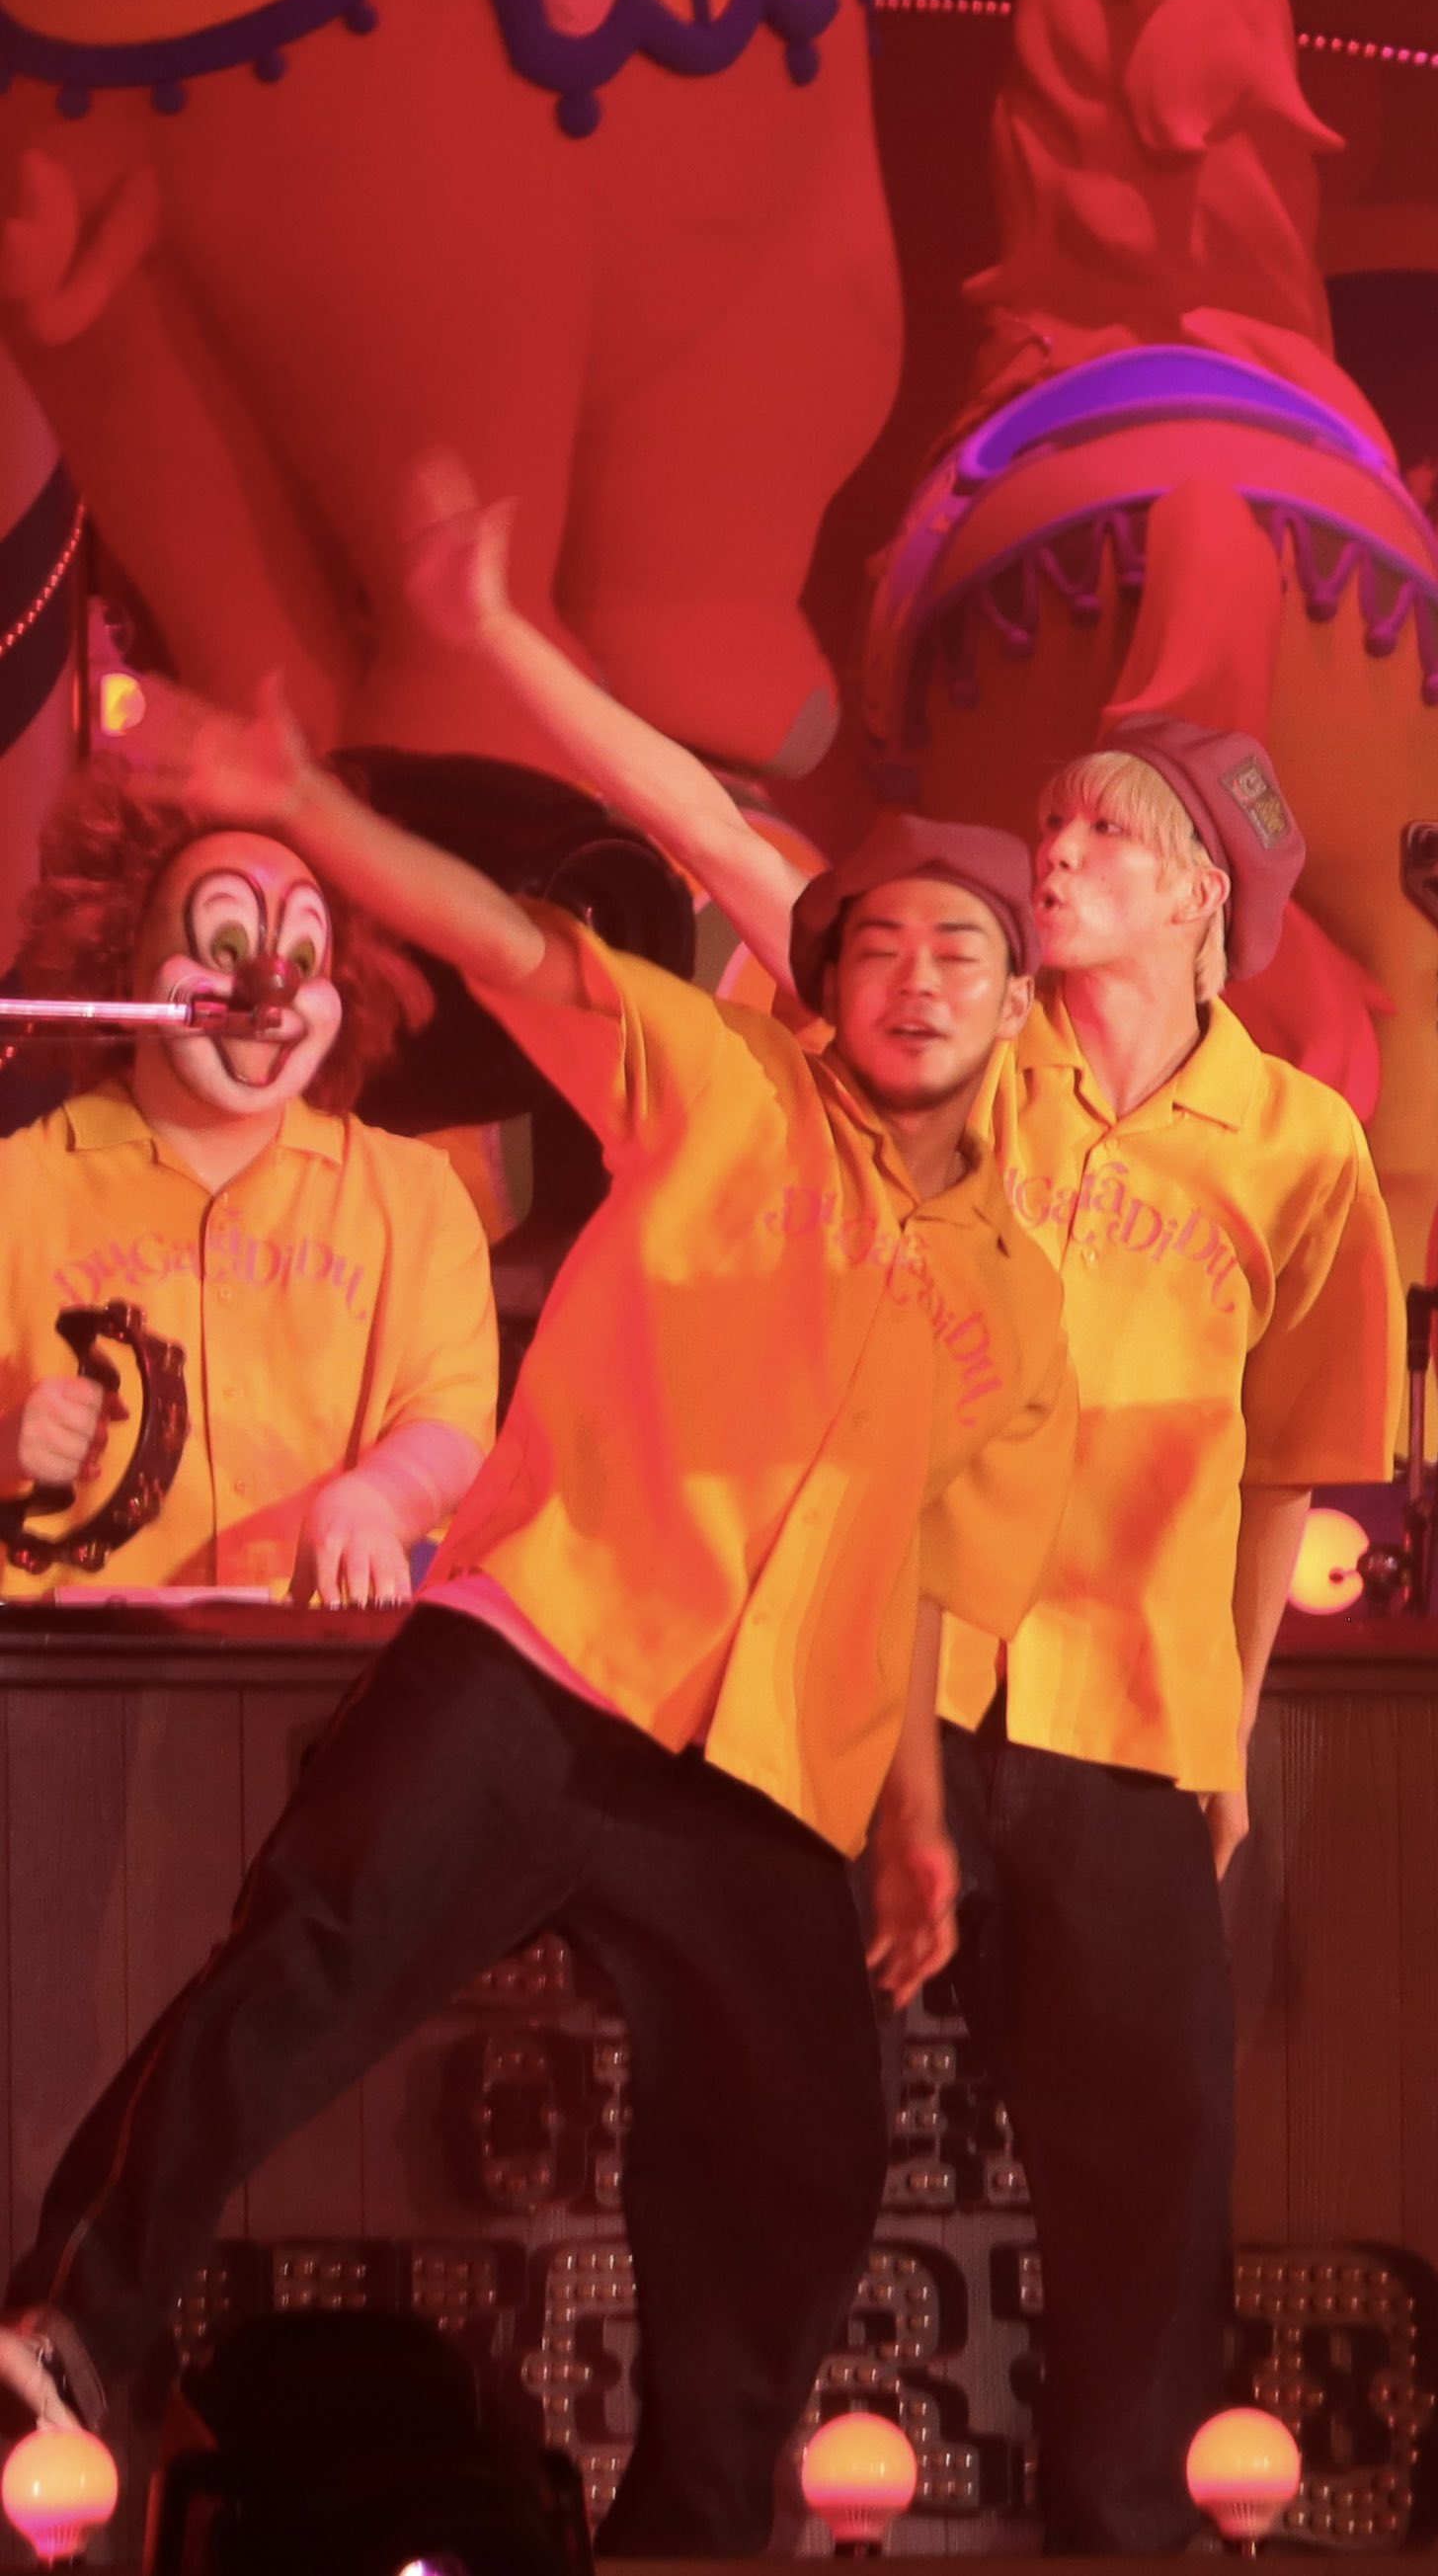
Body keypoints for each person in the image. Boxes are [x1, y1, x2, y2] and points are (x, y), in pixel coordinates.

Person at [404, 463, 1402, 2548]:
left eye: (1104, 837)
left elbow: (1285, 1470)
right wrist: (501, 638)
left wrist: (1226, 1738)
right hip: (874, 1706)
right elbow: (712, 833)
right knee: (761, 2146)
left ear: (1205, 894)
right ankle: (691, 2532)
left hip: (1126, 1746)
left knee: (1145, 2206)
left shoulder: (1298, 1152)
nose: (1055, 858)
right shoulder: (942, 1035)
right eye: (1052, 827)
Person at [0, 678, 1078, 2559]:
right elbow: (512, 941)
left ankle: (686, 2540)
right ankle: (63, 2331)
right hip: (534, 1661)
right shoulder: (724, 1081)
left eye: (959, 954)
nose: (916, 982)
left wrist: (914, 1818)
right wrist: (304, 805)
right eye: (881, 947)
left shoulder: (1017, 1300)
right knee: (304, 1964)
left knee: (799, 2152)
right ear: (825, 981)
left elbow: (926, 1569)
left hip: (754, 1772)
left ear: (1013, 1002)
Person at [5, 765, 494, 1601]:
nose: (270, 985)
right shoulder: (18, 1187)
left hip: (319, 1656)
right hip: (65, 1659)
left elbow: (450, 1416)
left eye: (301, 958)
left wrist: (381, 1498)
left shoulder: (416, 1200)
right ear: (125, 963)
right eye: (228, 950)